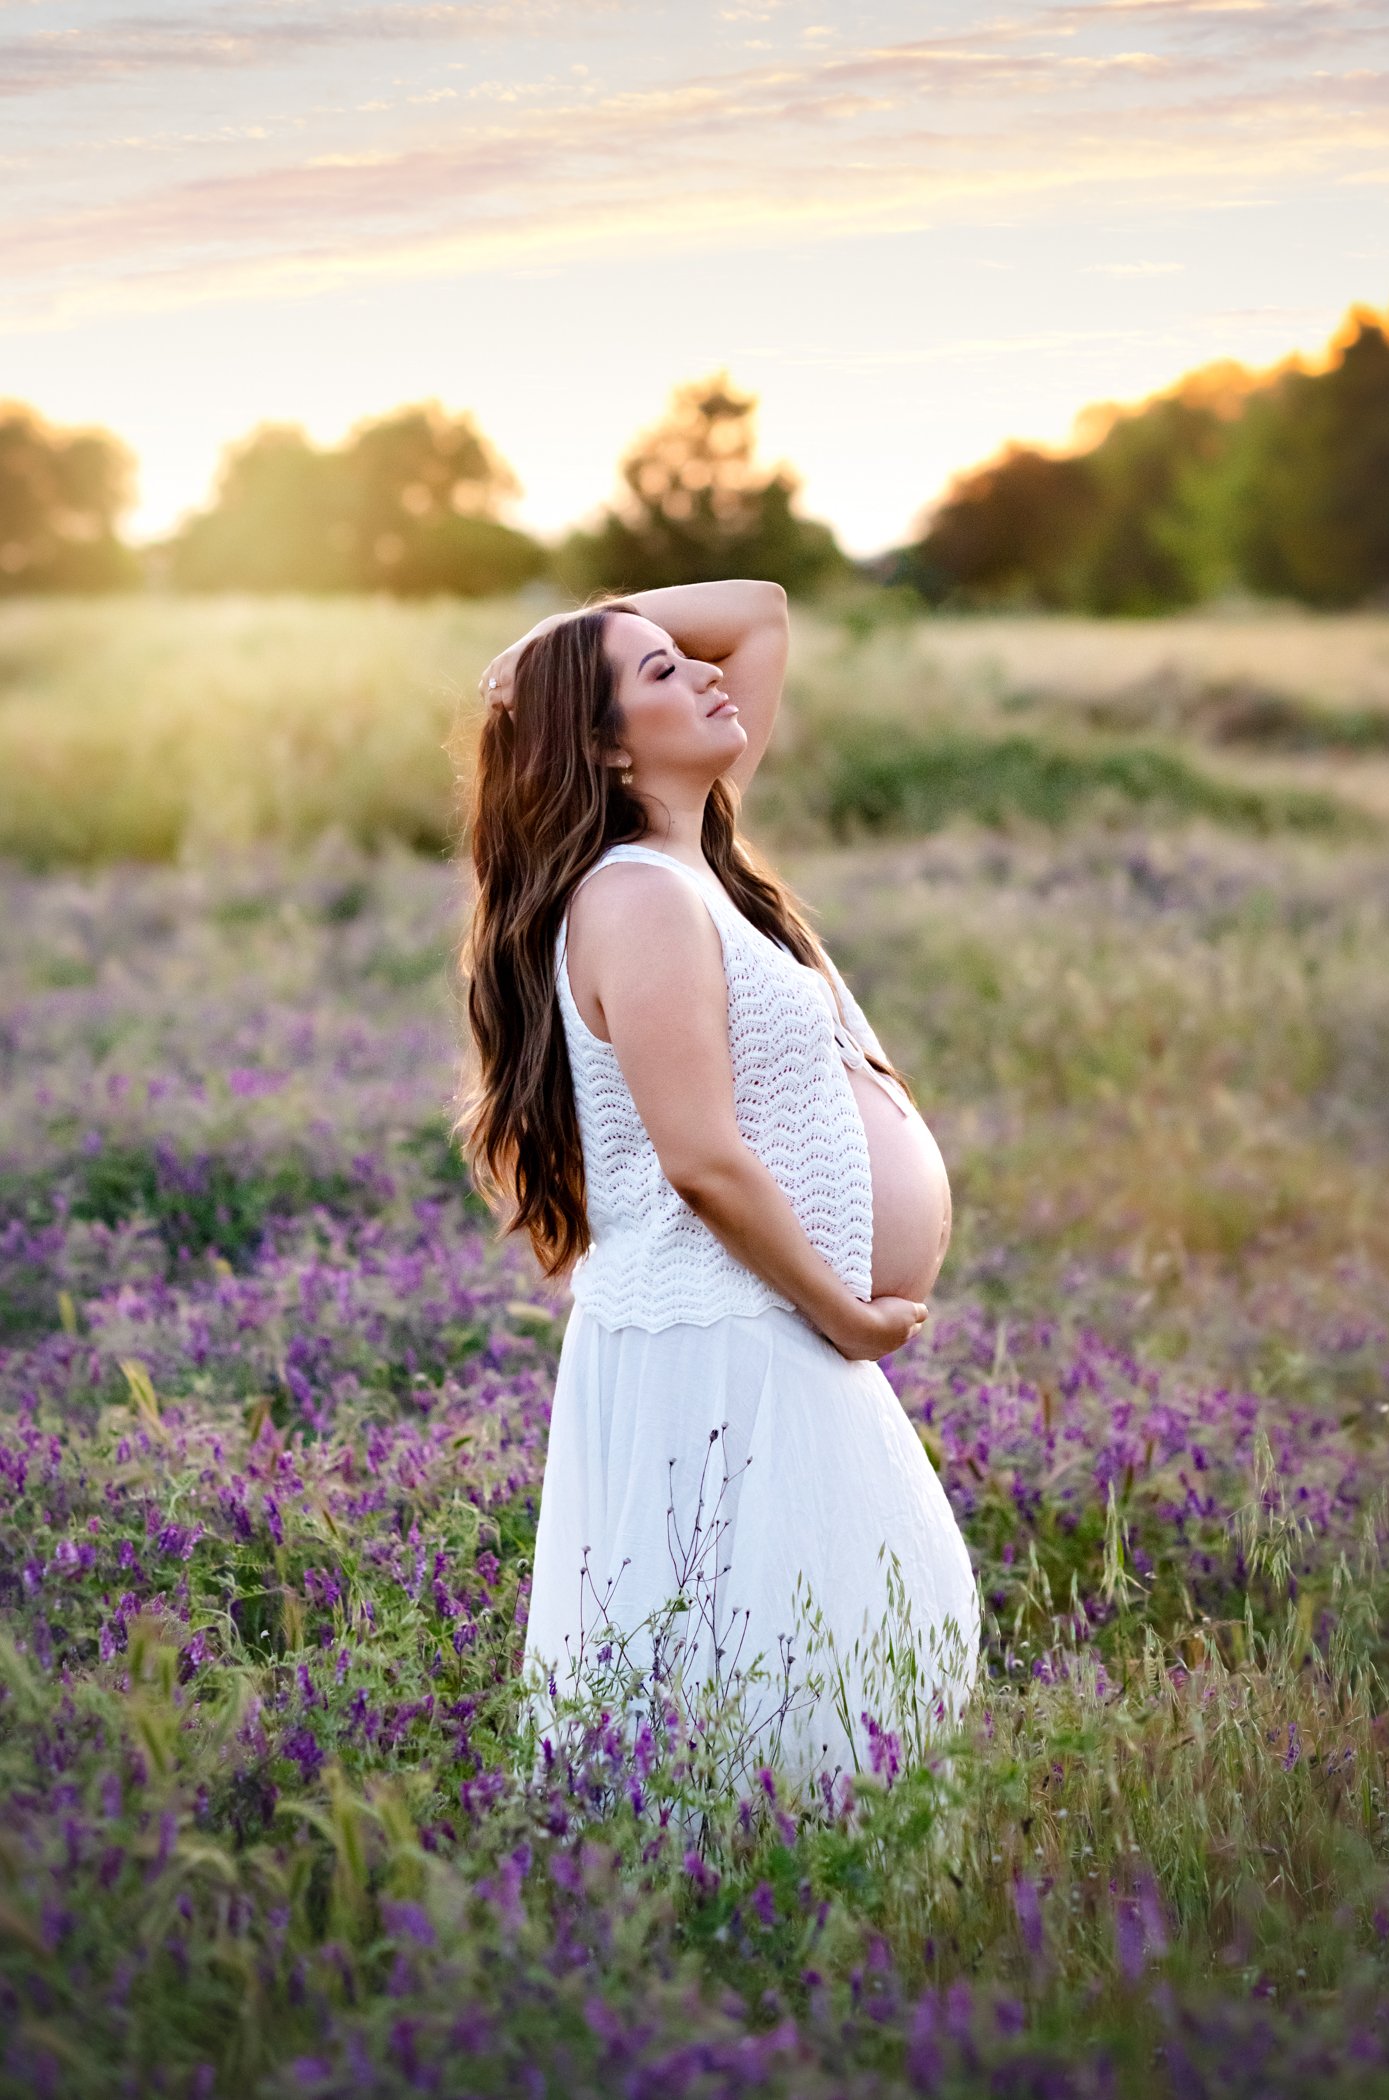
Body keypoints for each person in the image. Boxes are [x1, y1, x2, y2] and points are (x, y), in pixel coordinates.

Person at [459, 580, 979, 1792]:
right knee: (758, 1688)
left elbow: (758, 610)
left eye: (681, 661)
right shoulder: (635, 895)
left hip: (756, 1329)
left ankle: (811, 1941)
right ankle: (743, 1948)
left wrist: (575, 644)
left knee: (836, 1660)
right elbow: (698, 1159)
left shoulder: (701, 866)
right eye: (656, 676)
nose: (703, 673)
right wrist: (845, 1315)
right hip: (733, 1336)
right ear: (598, 746)